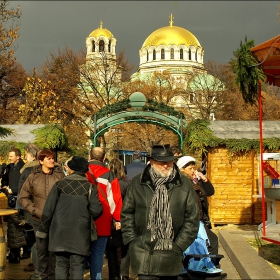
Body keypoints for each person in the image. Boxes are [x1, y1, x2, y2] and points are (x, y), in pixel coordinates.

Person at [121, 144, 200, 280]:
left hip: (171, 251)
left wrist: (179, 245)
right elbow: (127, 213)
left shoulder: (184, 185)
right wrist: (133, 241)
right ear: (151, 162)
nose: (165, 166)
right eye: (161, 162)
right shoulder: (137, 183)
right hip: (143, 251)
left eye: (169, 162)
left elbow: (192, 219)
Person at [36, 156, 103, 280]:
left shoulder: (60, 185)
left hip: (59, 231)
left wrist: (42, 231)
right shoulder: (89, 187)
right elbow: (96, 210)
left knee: (60, 265)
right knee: (77, 266)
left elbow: (48, 210)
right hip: (80, 233)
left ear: (71, 169)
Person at [19, 149, 65, 280]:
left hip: (56, 220)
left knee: (54, 252)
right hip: (38, 220)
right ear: (41, 161)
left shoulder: (60, 176)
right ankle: (42, 277)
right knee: (41, 251)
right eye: (49, 158)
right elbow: (23, 197)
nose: (52, 161)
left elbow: (66, 196)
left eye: (52, 158)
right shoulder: (33, 176)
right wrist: (34, 211)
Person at [87, 147, 122, 280]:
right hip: (102, 219)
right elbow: (115, 200)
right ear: (104, 158)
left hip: (84, 217)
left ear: (90, 157)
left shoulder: (82, 172)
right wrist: (117, 219)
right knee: (97, 254)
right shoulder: (109, 175)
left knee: (82, 253)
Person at [177, 156, 218, 255]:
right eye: (190, 168)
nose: (193, 171)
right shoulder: (182, 183)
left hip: (201, 219)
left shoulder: (196, 181)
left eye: (194, 168)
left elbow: (210, 192)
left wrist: (204, 180)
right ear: (182, 170)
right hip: (191, 219)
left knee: (204, 242)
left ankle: (203, 264)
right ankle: (210, 264)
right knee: (211, 241)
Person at [16, 144, 40, 278]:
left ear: (30, 155)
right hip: (46, 211)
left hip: (31, 212)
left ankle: (37, 273)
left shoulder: (26, 171)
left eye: (26, 155)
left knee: (35, 242)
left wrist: (22, 211)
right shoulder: (48, 169)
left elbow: (22, 193)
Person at [1, 147, 25, 263]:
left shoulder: (22, 168)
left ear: (18, 157)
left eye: (11, 156)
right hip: (10, 198)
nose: (9, 158)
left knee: (17, 226)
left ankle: (20, 252)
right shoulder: (9, 167)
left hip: (18, 200)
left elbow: (23, 185)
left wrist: (13, 190)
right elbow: (5, 180)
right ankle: (14, 252)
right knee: (12, 226)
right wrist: (5, 186)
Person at [107, 158, 130, 280]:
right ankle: (124, 274)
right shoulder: (127, 183)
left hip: (111, 220)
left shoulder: (107, 183)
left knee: (111, 249)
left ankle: (113, 274)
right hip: (125, 219)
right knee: (125, 247)